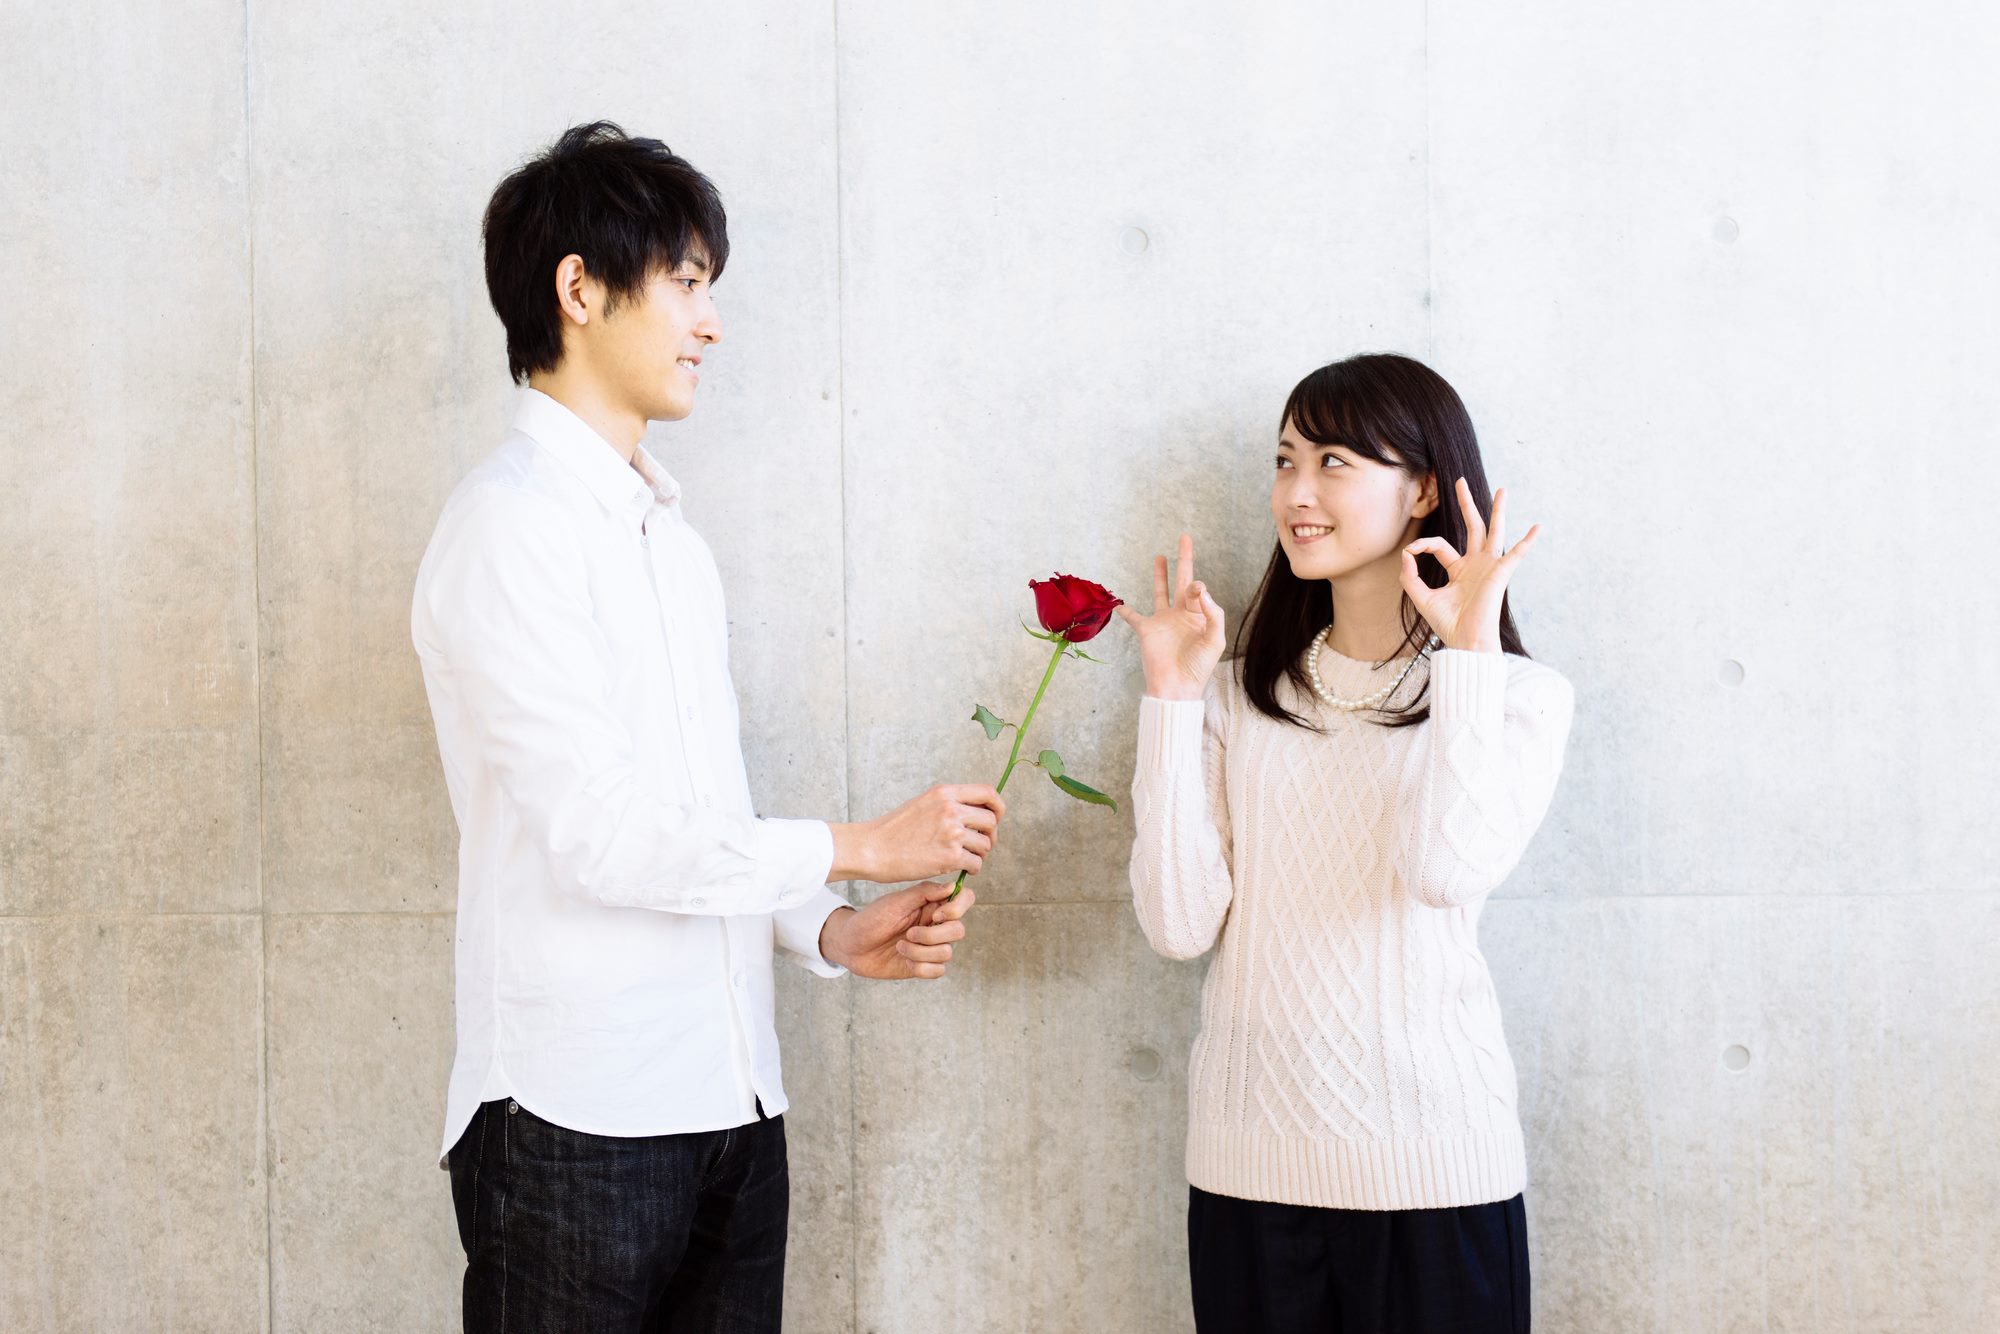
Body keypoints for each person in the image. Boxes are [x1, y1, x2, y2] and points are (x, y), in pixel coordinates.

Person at [411, 121, 1005, 1333]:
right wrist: (858, 843)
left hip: (730, 1100)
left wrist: (826, 926)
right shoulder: (507, 527)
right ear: (579, 289)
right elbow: (601, 835)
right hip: (575, 1120)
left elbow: (699, 812)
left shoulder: (669, 539)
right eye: (685, 283)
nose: (711, 323)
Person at [1119, 352, 1574, 1333]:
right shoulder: (1234, 693)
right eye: (1285, 460)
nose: (1296, 492)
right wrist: (1170, 701)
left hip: (1434, 1166)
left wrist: (1466, 656)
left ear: (1422, 490)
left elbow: (1443, 871)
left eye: (1333, 462)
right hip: (1247, 1171)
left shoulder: (1517, 697)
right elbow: (1176, 924)